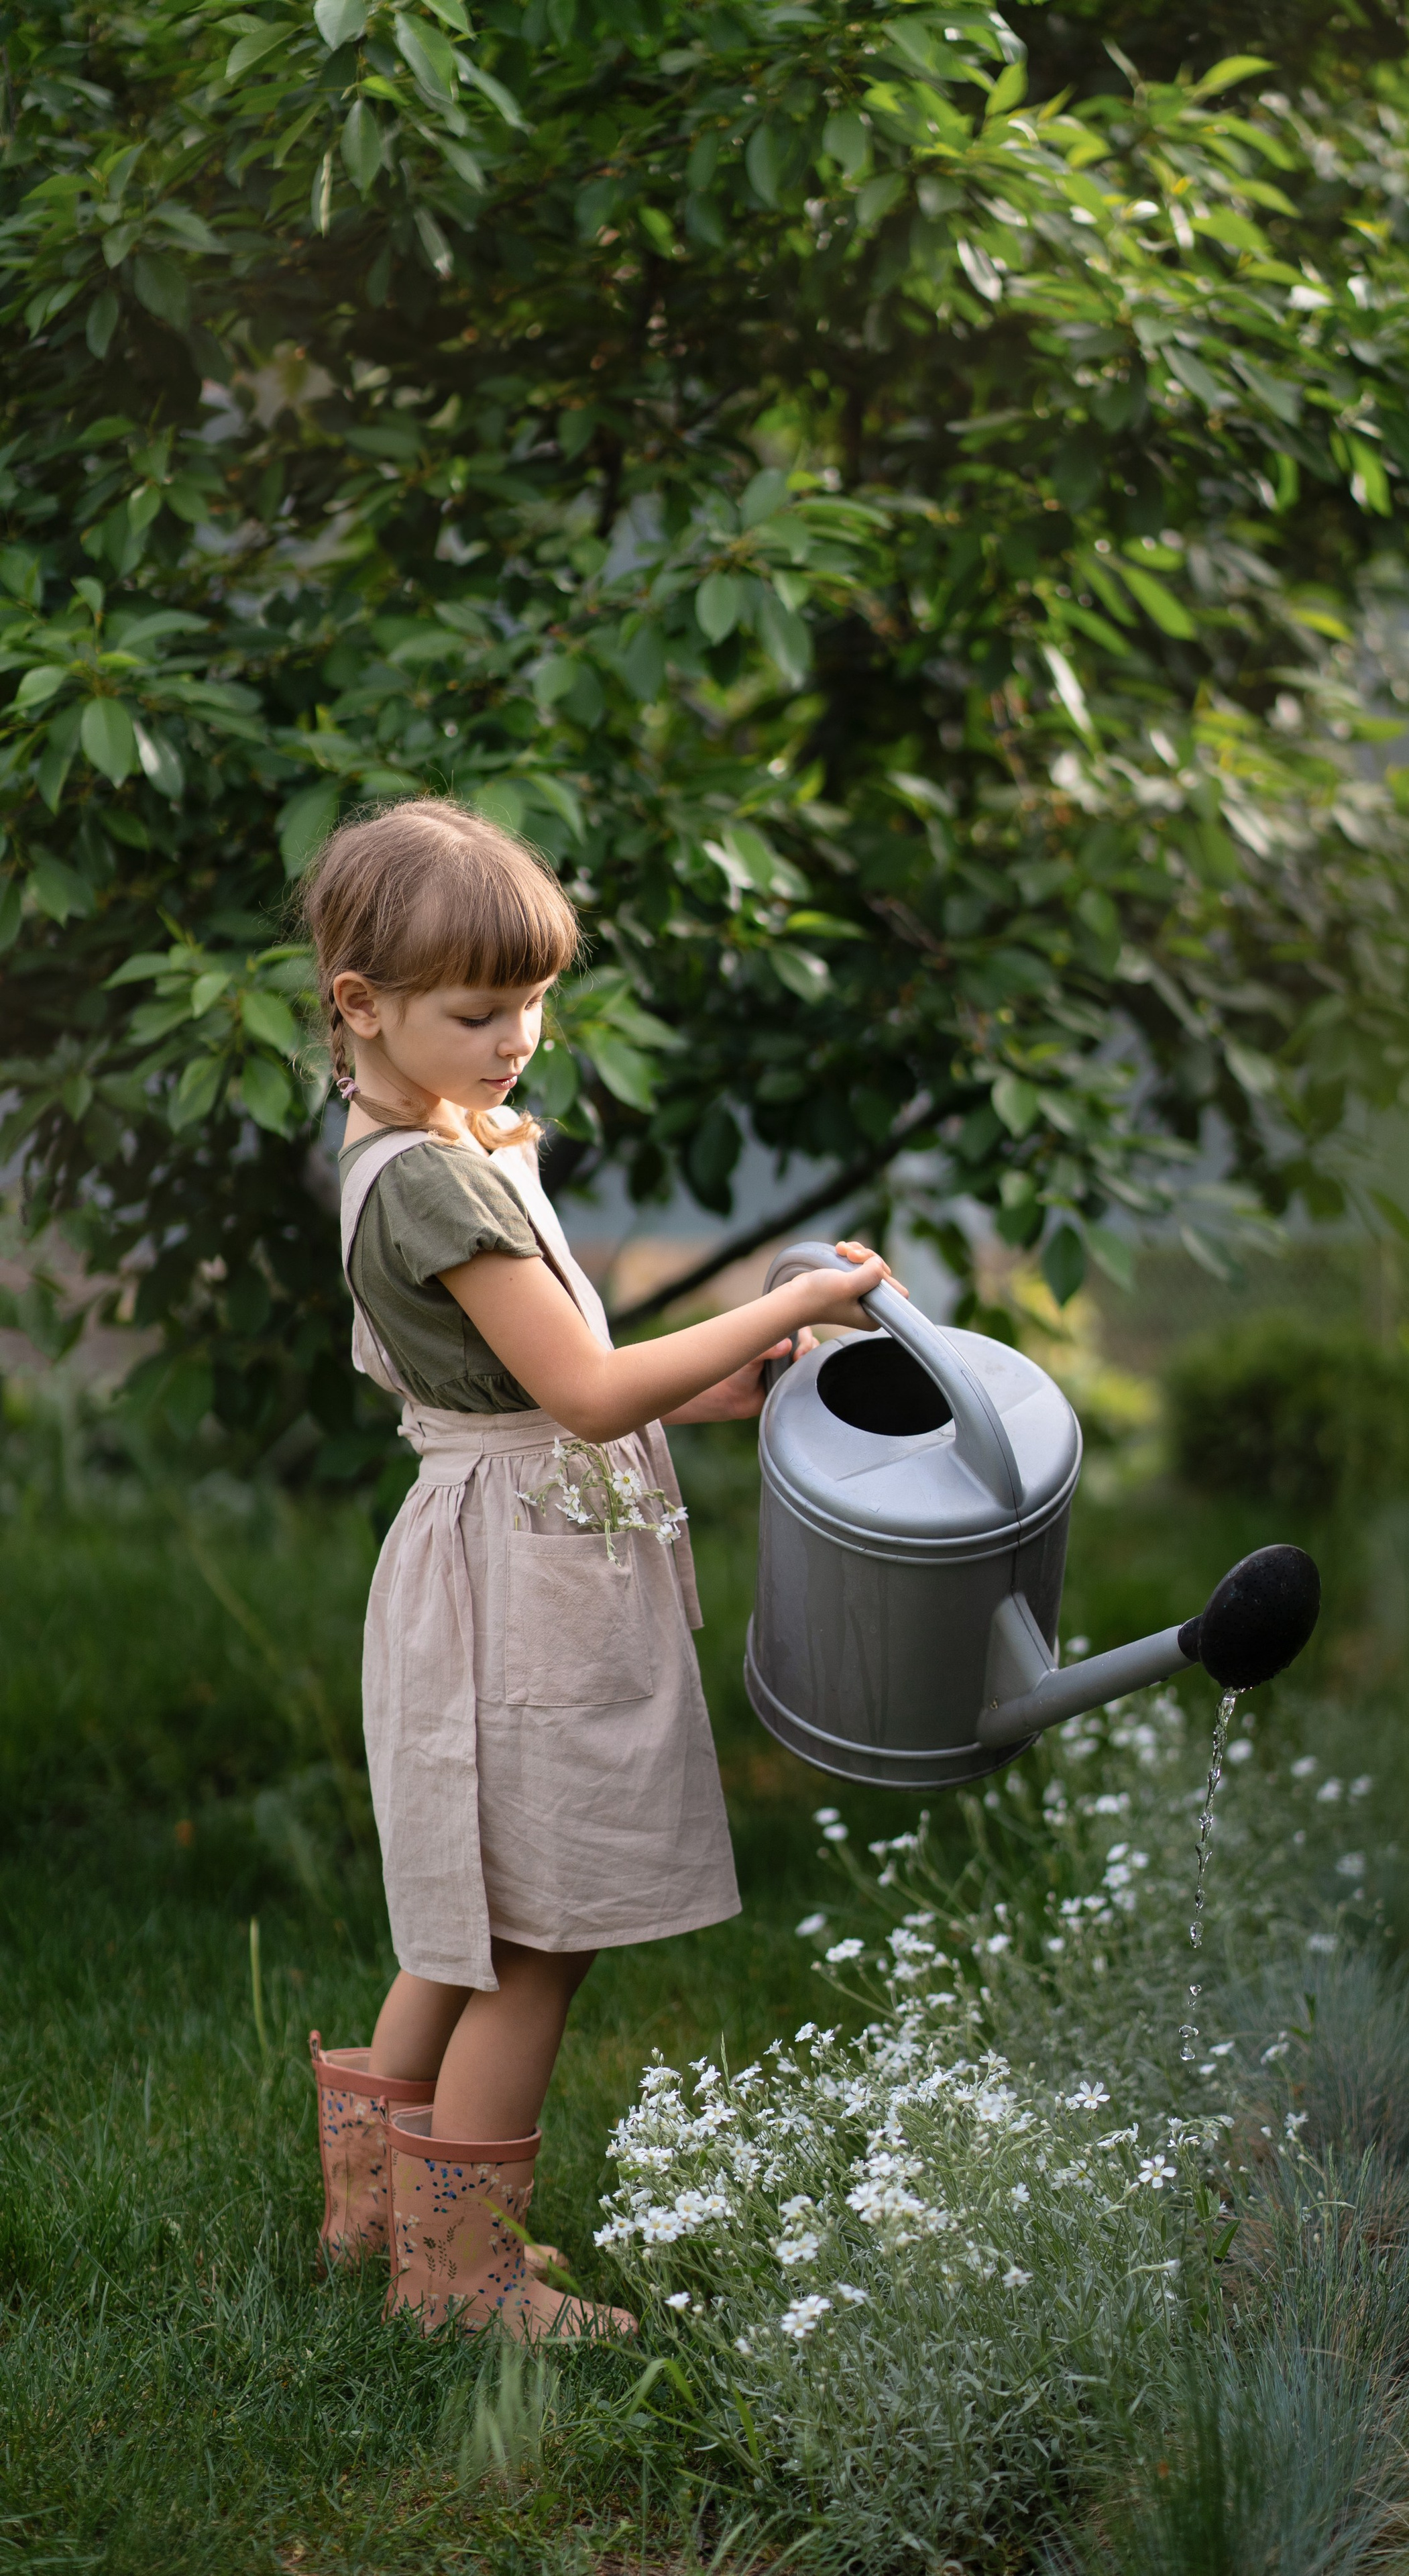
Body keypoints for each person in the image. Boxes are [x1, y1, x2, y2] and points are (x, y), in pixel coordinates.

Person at [298, 796, 897, 2339]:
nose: (519, 1036)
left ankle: (383, 2221)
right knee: (533, 1937)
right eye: (479, 1009)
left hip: (502, 1544)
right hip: (520, 1573)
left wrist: (757, 1372)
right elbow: (580, 1396)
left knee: (467, 1915)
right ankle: (467, 2279)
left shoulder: (417, 1142)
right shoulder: (432, 1181)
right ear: (360, 1004)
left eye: (535, 1000)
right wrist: (790, 1306)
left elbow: (553, 1375)